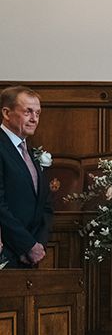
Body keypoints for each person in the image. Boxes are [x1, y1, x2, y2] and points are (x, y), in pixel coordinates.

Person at [0, 85, 53, 268]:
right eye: (28, 112)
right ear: (7, 113)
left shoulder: (28, 151)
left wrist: (37, 245)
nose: (34, 119)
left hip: (31, 255)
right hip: (6, 252)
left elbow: (44, 203)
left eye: (38, 113)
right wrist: (26, 245)